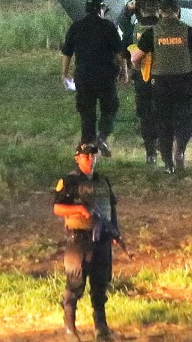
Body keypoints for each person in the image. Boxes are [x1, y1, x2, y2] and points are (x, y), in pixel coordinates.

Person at [131, 0, 192, 173]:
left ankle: (168, 164)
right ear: (178, 11)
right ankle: (179, 150)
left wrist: (141, 71)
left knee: (164, 122)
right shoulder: (188, 31)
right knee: (184, 118)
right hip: (184, 81)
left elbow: (135, 58)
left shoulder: (152, 32)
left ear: (160, 12)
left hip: (161, 83)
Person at [53, 142, 120, 340]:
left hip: (102, 238)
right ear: (78, 158)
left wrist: (116, 232)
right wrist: (79, 210)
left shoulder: (103, 181)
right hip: (79, 239)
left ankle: (101, 328)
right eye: (86, 156)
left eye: (93, 156)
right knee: (76, 284)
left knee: (100, 285)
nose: (90, 159)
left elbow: (111, 207)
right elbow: (58, 208)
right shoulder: (69, 181)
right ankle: (70, 329)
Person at [61, 0, 129, 155]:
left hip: (84, 76)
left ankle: (87, 142)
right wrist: (125, 72)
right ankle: (102, 138)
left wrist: (63, 74)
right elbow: (119, 53)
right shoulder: (108, 27)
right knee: (109, 108)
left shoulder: (76, 27)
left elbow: (67, 53)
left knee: (87, 110)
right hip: (105, 76)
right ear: (101, 9)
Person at [125, 0, 160, 164]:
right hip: (163, 76)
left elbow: (129, 50)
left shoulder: (135, 28)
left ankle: (150, 152)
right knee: (162, 111)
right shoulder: (163, 27)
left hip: (142, 76)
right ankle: (162, 143)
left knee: (146, 115)